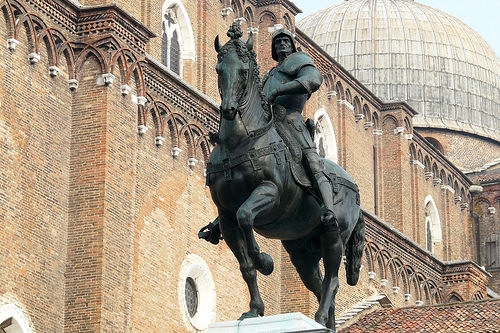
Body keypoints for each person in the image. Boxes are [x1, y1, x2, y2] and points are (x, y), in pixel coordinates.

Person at [262, 28, 336, 226]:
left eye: (285, 41)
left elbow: (312, 80)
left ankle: (328, 208)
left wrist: (278, 91)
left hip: (290, 119)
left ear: (292, 45)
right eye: (277, 43)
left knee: (311, 160)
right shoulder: (269, 74)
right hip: (268, 121)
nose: (281, 45)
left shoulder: (299, 61)